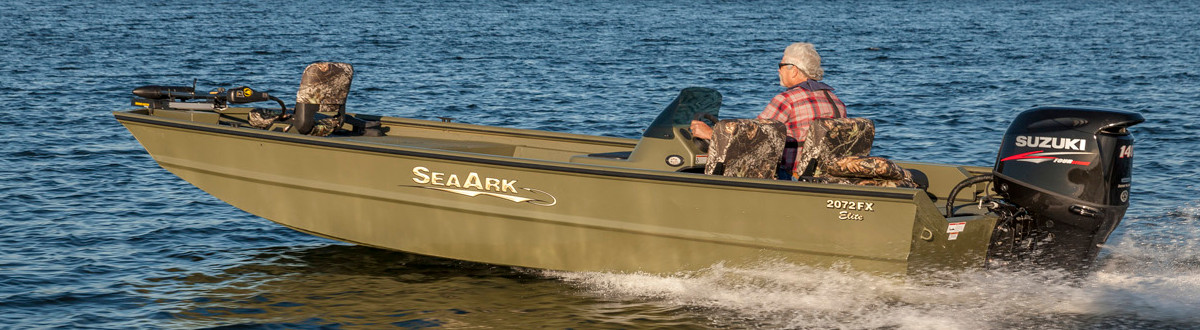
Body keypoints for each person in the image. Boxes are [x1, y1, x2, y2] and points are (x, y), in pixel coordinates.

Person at [690, 42, 847, 179]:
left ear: (794, 70)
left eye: (781, 65)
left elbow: (752, 140)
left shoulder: (787, 100)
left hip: (792, 176)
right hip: (826, 177)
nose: (779, 70)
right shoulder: (836, 101)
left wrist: (711, 134)